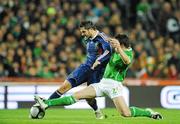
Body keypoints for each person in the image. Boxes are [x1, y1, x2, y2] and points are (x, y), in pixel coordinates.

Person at [34, 34, 163, 120]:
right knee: (77, 96)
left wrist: (118, 48)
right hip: (103, 83)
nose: (113, 45)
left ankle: (148, 112)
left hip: (114, 85)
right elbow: (105, 45)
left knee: (126, 114)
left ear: (121, 44)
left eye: (116, 43)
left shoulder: (128, 52)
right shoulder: (115, 49)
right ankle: (46, 103)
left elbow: (127, 61)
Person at [34, 21, 112, 119]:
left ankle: (97, 111)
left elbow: (108, 51)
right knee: (64, 87)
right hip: (85, 68)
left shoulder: (102, 38)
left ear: (91, 29)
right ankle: (44, 106)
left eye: (84, 32)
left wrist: (99, 61)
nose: (82, 34)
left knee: (89, 98)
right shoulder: (87, 39)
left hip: (97, 72)